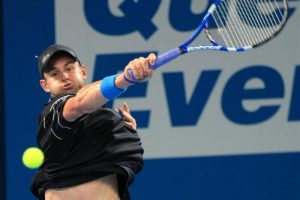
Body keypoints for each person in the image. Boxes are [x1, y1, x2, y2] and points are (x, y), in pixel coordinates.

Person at [30, 44, 156, 200]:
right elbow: (79, 102)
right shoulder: (53, 112)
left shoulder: (104, 121)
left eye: (69, 69)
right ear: (45, 85)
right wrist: (125, 78)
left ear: (83, 71)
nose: (64, 76)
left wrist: (123, 132)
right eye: (54, 73)